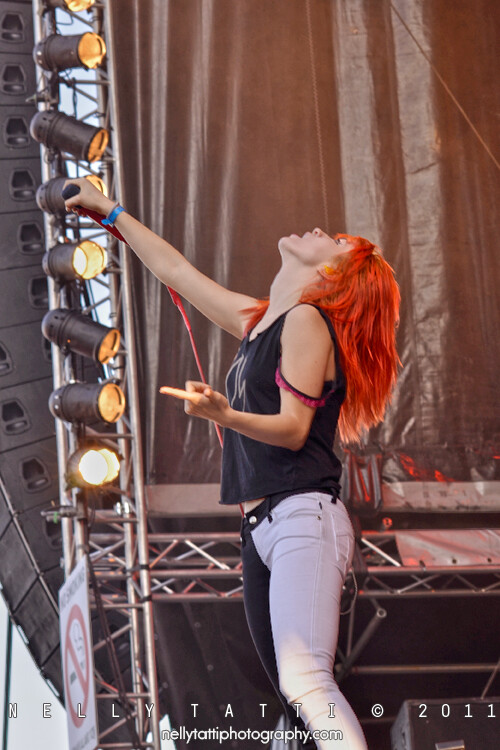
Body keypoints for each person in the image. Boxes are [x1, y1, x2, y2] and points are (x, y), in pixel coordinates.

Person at [64, 179, 400, 749]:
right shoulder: (264, 320)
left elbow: (294, 430)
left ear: (332, 275)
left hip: (301, 516)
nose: (323, 230)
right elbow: (177, 273)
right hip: (263, 527)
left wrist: (224, 414)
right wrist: (110, 212)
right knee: (294, 704)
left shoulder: (306, 322)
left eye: (337, 241)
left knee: (305, 681)